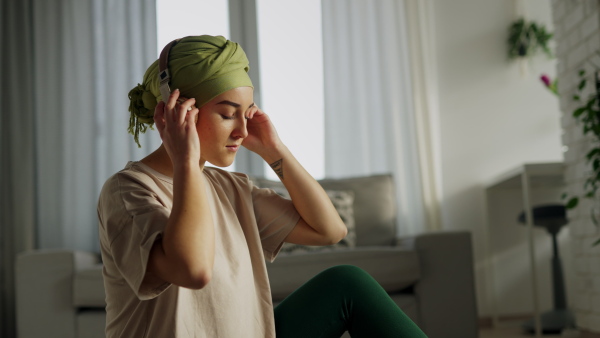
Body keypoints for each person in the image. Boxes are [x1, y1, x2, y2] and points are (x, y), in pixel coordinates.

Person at [98, 35, 426, 338]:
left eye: (248, 114)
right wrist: (185, 160)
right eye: (228, 114)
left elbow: (329, 230)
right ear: (175, 112)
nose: (242, 130)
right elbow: (193, 270)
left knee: (347, 282)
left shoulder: (233, 188)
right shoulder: (127, 191)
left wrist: (274, 149)